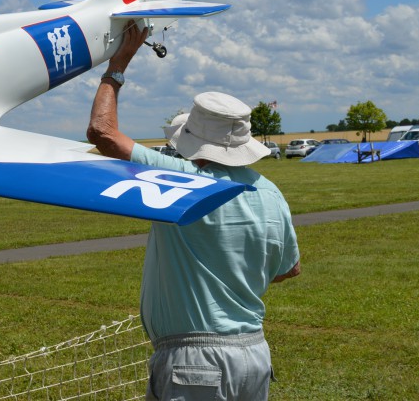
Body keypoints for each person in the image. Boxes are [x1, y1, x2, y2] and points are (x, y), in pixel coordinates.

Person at [87, 22, 301, 401]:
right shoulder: (271, 193)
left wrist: (117, 65)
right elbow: (289, 269)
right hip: (254, 353)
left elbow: (103, 132)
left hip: (194, 360)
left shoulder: (183, 179)